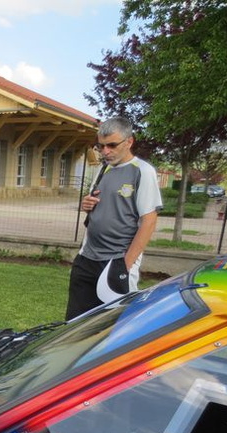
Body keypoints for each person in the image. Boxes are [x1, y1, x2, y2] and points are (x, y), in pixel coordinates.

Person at [65, 116, 162, 320]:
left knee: (112, 325)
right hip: (86, 259)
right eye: (101, 146)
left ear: (129, 142)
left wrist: (125, 265)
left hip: (116, 261)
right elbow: (100, 206)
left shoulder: (143, 172)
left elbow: (149, 221)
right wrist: (86, 205)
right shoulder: (103, 169)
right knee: (75, 324)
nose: (105, 151)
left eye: (112, 145)